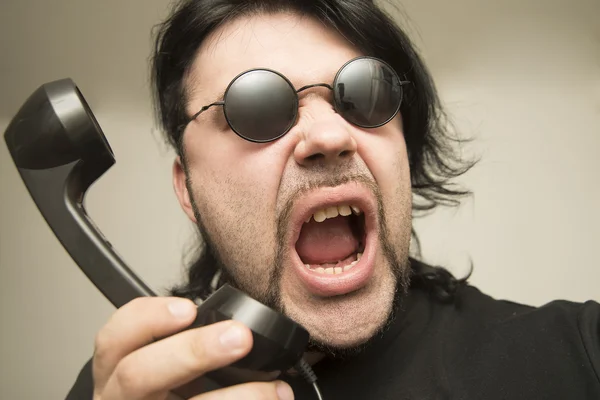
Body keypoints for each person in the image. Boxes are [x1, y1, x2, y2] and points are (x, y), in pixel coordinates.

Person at [67, 0, 600, 399]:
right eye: (256, 107)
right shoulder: (128, 385)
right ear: (188, 189)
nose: (328, 136)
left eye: (364, 94)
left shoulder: (578, 354)